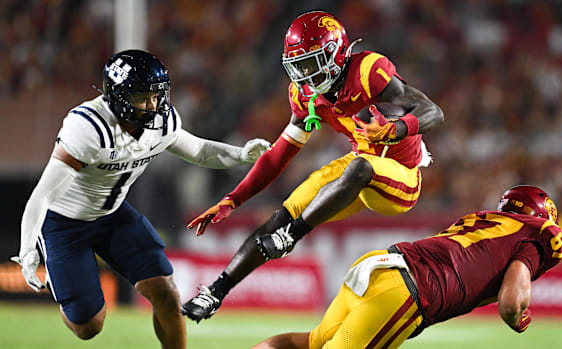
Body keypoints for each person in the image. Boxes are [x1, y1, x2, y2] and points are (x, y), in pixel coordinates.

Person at [181, 10, 444, 323]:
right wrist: (232, 199)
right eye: (298, 66)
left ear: (335, 53)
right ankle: (215, 292)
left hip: (401, 175)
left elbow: (433, 111)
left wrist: (395, 129)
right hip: (358, 168)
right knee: (282, 214)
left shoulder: (367, 72)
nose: (305, 75)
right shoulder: (305, 94)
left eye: (311, 63)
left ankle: (292, 235)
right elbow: (279, 154)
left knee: (358, 168)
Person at [10, 49, 270, 348]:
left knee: (166, 292)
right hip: (64, 222)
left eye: (156, 96)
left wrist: (240, 155)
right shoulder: (88, 128)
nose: (152, 105)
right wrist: (28, 249)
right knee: (88, 326)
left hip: (113, 215)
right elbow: (43, 194)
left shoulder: (162, 122)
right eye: (141, 97)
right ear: (117, 95)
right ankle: (70, 296)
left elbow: (198, 150)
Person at [251, 185, 562, 348]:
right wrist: (518, 318)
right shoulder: (535, 234)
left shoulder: (483, 221)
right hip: (407, 292)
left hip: (378, 264)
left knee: (307, 344)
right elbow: (510, 303)